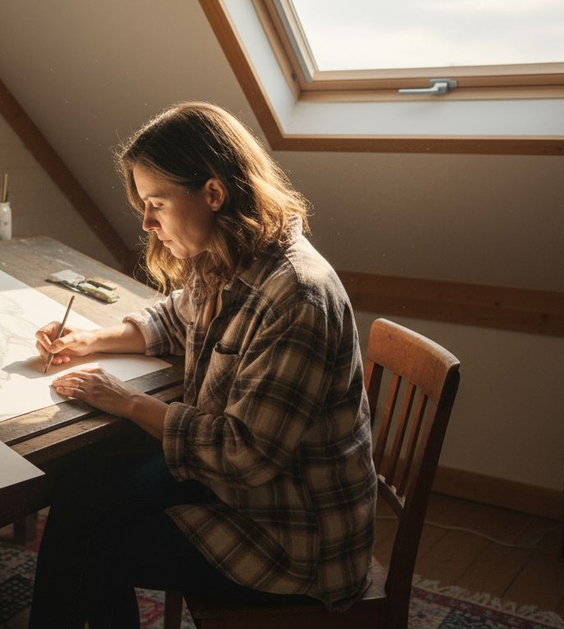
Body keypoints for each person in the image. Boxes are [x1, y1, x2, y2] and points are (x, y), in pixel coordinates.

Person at [28, 102, 377, 629]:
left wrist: (128, 402)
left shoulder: (298, 295)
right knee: (83, 487)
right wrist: (90, 339)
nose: (147, 222)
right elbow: (175, 316)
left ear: (213, 193)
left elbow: (244, 455)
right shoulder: (232, 253)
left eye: (157, 204)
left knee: (92, 538)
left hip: (294, 538)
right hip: (240, 491)